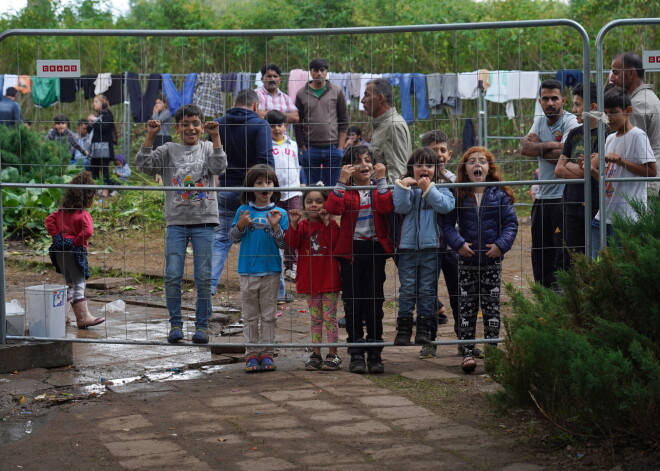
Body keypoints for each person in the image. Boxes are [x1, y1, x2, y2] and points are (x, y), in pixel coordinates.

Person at [136, 104, 227, 344]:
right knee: (173, 275)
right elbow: (145, 166)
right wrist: (150, 137)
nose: (191, 128)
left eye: (195, 123)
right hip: (176, 222)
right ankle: (175, 324)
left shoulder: (208, 147)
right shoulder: (168, 150)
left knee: (204, 276)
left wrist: (216, 137)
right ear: (177, 128)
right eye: (185, 124)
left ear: (202, 126)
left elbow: (219, 167)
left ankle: (202, 326)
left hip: (204, 222)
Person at [443, 147, 518, 374]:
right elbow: (446, 224)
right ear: (465, 169)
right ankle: (467, 352)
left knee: (491, 306)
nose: (478, 165)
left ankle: (493, 351)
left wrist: (500, 245)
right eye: (472, 161)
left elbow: (511, 224)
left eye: (482, 162)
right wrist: (458, 244)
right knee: (466, 307)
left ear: (489, 168)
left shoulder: (499, 194)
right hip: (465, 260)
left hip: (491, 260)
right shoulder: (458, 193)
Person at [326, 145, 393, 374]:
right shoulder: (348, 191)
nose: (364, 164)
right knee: (353, 304)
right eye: (358, 161)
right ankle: (355, 352)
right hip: (351, 253)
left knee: (374, 304)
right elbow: (333, 207)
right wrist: (341, 182)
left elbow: (386, 207)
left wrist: (382, 180)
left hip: (375, 250)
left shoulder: (379, 188)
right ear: (349, 168)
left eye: (368, 160)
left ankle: (375, 353)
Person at [211, 89, 274, 295]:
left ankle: (208, 287)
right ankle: (278, 291)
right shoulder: (260, 124)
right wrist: (269, 189)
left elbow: (210, 158)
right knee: (266, 239)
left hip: (226, 188)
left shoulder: (218, 124)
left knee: (220, 240)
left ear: (234, 102)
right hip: (252, 193)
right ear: (255, 106)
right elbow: (265, 161)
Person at [392, 148, 455, 350]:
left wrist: (429, 189)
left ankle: (424, 330)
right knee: (408, 289)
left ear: (436, 169)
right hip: (407, 248)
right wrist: (403, 187)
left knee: (427, 290)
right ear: (412, 168)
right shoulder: (404, 187)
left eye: (429, 165)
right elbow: (400, 207)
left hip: (431, 248)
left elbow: (445, 206)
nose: (424, 169)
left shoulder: (442, 187)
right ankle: (403, 330)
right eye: (419, 165)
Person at [229, 164, 288, 373]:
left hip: (271, 271)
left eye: (269, 182)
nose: (265, 186)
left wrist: (275, 226)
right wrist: (241, 225)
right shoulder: (243, 211)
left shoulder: (280, 212)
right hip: (247, 271)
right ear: (251, 188)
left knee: (269, 315)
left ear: (275, 186)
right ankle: (251, 354)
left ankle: (268, 353)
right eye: (260, 182)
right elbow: (233, 239)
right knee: (250, 315)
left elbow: (283, 244)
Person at [521, 79, 579, 288]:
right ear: (540, 101)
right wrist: (554, 147)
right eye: (545, 99)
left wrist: (540, 147)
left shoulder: (571, 121)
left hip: (564, 197)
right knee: (540, 251)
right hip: (542, 197)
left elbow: (569, 157)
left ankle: (563, 298)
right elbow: (525, 148)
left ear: (563, 100)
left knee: (562, 252)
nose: (550, 103)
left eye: (554, 98)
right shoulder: (539, 120)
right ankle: (543, 296)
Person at [590, 87, 657, 257]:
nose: (609, 118)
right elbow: (609, 179)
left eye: (614, 112)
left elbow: (652, 171)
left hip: (627, 218)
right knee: (595, 263)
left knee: (621, 267)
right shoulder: (611, 138)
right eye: (605, 113)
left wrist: (621, 161)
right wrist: (590, 170)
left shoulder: (637, 135)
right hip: (604, 215)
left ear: (628, 111)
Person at [285, 186, 342, 371]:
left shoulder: (332, 225)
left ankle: (333, 354)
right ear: (303, 205)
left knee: (329, 318)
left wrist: (327, 222)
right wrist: (293, 223)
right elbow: (292, 245)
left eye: (319, 201)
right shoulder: (301, 226)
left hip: (329, 280)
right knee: (315, 319)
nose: (314, 205)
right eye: (309, 202)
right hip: (309, 280)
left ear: (326, 204)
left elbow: (335, 244)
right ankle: (316, 353)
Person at [421, 130, 463, 356]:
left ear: (450, 153)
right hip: (428, 246)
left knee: (459, 293)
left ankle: (464, 339)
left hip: (453, 246)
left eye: (443, 150)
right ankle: (429, 340)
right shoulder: (420, 181)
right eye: (433, 150)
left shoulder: (457, 181)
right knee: (428, 294)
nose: (439, 155)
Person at [45, 171, 105, 329]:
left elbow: (48, 220)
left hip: (59, 252)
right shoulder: (83, 214)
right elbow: (89, 231)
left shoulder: (61, 212)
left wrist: (57, 236)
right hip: (75, 252)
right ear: (88, 197)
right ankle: (83, 318)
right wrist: (76, 241)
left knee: (68, 284)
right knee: (79, 283)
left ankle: (61, 317)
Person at [554, 83, 601, 269]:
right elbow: (558, 170)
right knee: (569, 257)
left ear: (593, 107)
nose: (573, 110)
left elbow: (587, 172)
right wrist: (579, 167)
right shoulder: (574, 133)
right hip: (570, 205)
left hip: (594, 206)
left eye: (577, 104)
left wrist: (571, 165)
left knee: (592, 258)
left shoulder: (606, 136)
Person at [610, 52, 660, 196]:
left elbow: (631, 150)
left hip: (643, 187)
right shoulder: (651, 97)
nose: (612, 78)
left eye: (615, 72)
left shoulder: (637, 104)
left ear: (631, 74)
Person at [295, 58, 348, 186]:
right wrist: (303, 147)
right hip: (310, 148)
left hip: (333, 147)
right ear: (311, 72)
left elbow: (344, 120)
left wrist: (340, 148)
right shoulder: (301, 94)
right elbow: (297, 123)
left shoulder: (337, 91)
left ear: (326, 72)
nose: (319, 73)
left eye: (322, 70)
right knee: (311, 187)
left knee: (333, 186)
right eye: (315, 70)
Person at [266, 109, 301, 298]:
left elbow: (296, 166)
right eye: (272, 126)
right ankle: (276, 264)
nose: (276, 129)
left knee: (292, 227)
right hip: (275, 193)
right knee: (276, 226)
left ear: (285, 126)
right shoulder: (266, 145)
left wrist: (298, 185)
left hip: (293, 191)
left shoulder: (293, 144)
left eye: (279, 125)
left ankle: (291, 265)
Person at [362, 78, 412, 183]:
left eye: (367, 95)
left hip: (387, 196)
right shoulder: (382, 125)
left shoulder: (392, 126)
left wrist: (391, 197)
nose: (362, 100)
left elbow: (397, 173)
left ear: (380, 98)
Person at [87, 94, 117, 196]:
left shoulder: (108, 115)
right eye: (94, 101)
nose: (93, 103)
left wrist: (94, 121)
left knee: (104, 170)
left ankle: (105, 192)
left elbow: (103, 128)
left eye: (96, 101)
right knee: (93, 169)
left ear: (102, 103)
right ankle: (94, 192)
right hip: (95, 147)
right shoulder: (97, 116)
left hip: (104, 148)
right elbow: (90, 130)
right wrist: (91, 122)